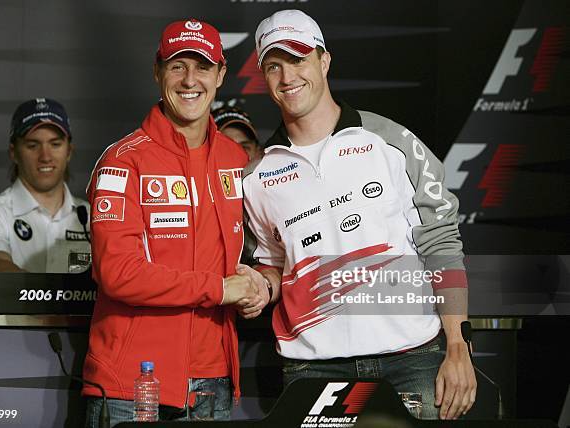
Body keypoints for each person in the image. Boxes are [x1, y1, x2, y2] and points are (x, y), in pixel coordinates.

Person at [241, 10, 477, 420]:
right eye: (273, 66)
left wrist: (458, 345)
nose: (287, 77)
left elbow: (441, 242)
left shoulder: (391, 142)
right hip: (312, 368)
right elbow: (274, 264)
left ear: (324, 61)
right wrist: (261, 284)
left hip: (411, 360)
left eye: (298, 59)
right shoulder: (257, 175)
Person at [82, 18, 262, 426]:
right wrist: (218, 288)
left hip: (214, 380)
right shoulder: (123, 161)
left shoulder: (236, 161)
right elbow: (119, 273)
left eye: (201, 66)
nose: (189, 80)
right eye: (178, 65)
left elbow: (259, 249)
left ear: (220, 76)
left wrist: (257, 284)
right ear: (157, 71)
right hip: (134, 384)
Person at [0, 98, 90, 273]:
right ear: (13, 153)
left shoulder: (93, 218)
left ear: (69, 151)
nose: (45, 156)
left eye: (55, 144)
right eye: (33, 145)